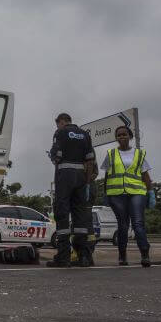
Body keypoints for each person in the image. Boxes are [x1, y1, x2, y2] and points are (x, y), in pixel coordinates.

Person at [100, 125, 154, 267]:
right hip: (117, 195)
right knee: (123, 226)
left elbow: (145, 175)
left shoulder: (139, 154)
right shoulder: (111, 154)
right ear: (116, 138)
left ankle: (145, 254)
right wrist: (105, 193)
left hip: (137, 193)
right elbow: (107, 174)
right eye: (119, 135)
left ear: (130, 137)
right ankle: (122, 256)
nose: (121, 137)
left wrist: (151, 192)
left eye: (124, 134)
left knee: (138, 224)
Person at [47, 113, 95, 268]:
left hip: (65, 176)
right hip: (81, 177)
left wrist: (54, 158)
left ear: (61, 121)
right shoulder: (84, 134)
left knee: (62, 214)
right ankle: (84, 257)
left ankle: (64, 257)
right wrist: (87, 183)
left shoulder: (60, 133)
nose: (58, 126)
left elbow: (56, 156)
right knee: (80, 218)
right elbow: (90, 160)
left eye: (58, 124)